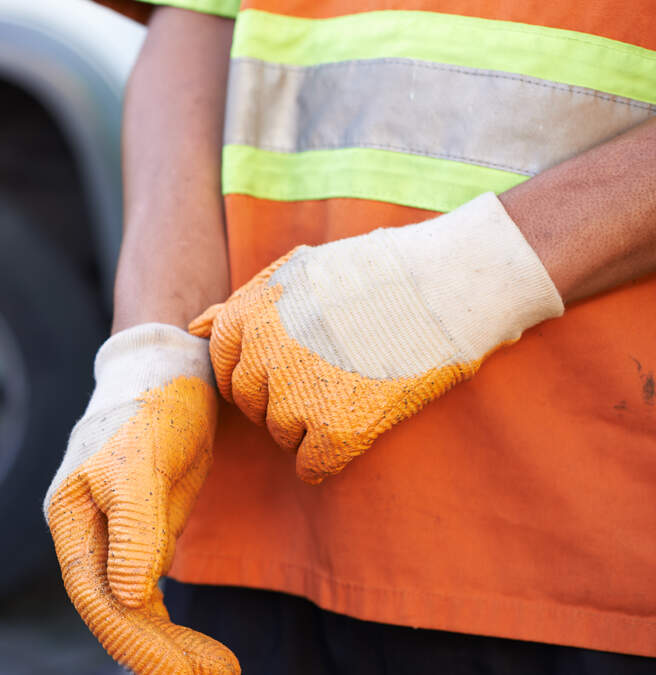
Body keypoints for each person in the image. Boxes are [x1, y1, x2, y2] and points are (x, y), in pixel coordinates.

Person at [45, 2, 656, 673]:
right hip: (252, 525)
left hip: (574, 544)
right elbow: (195, 20)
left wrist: (462, 278)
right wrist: (152, 353)